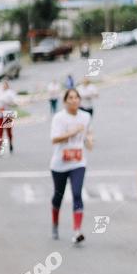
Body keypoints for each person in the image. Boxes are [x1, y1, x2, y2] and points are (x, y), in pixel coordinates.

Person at [50, 88, 93, 244]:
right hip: (60, 164)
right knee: (58, 196)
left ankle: (77, 231)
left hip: (78, 162)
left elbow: (88, 135)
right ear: (65, 101)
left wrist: (89, 140)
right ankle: (55, 224)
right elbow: (54, 139)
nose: (74, 100)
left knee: (77, 193)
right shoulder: (59, 118)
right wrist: (73, 132)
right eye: (71, 98)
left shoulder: (86, 116)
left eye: (77, 98)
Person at [0, 79, 17, 153]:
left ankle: (10, 143)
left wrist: (7, 102)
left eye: (6, 84)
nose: (4, 86)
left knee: (9, 132)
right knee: (0, 132)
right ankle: (0, 148)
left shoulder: (11, 93)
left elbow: (14, 102)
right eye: (3, 84)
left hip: (8, 114)